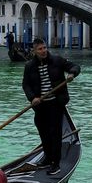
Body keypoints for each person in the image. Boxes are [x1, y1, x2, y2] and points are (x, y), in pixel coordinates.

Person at [22, 39, 80, 175]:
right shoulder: (29, 66)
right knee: (43, 132)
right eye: (40, 49)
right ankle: (47, 158)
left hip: (55, 103)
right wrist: (32, 98)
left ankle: (55, 163)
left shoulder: (57, 60)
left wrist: (72, 73)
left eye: (44, 48)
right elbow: (26, 85)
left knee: (55, 133)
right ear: (34, 51)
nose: (43, 51)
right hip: (40, 105)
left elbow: (75, 66)